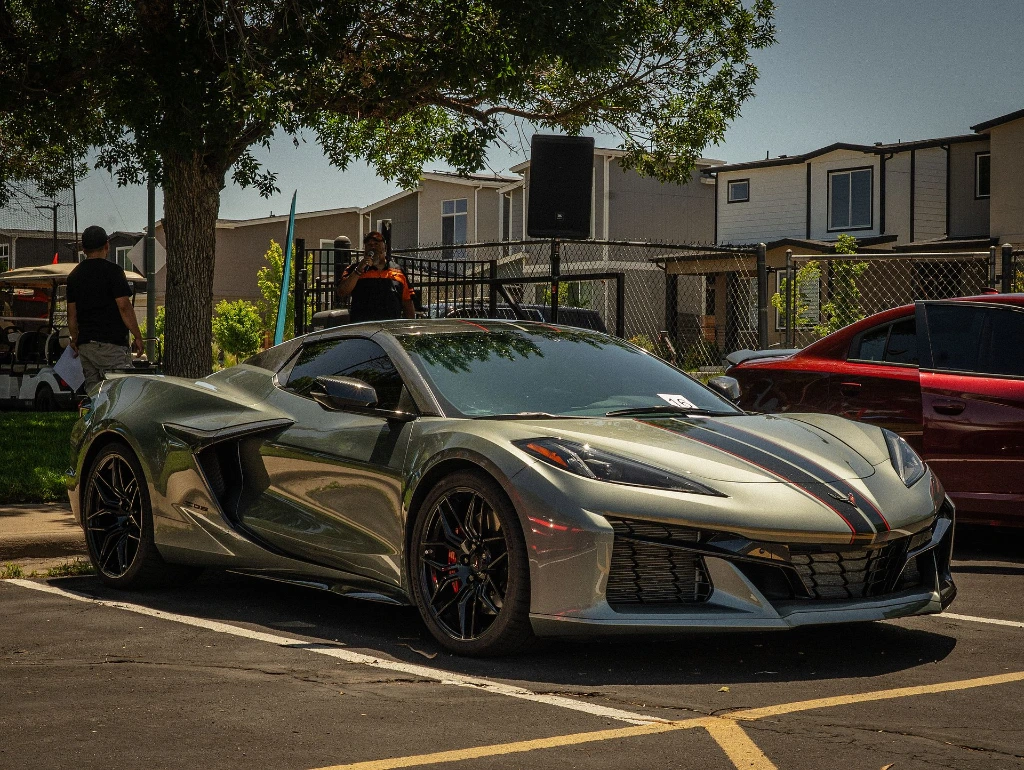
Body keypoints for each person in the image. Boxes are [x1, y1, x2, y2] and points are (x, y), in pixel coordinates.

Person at [67, 225, 144, 390]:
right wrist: (137, 335)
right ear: (107, 245)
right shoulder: (114, 272)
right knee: (118, 391)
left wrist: (75, 339)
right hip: (111, 345)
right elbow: (124, 306)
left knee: (94, 393)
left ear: (84, 249)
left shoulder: (74, 276)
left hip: (86, 345)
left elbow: (71, 315)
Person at [336, 231, 416, 322]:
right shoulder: (354, 269)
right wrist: (358, 271)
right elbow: (341, 292)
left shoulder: (398, 271)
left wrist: (410, 327)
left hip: (389, 328)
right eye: (369, 244)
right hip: (363, 328)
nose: (373, 247)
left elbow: (407, 302)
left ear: (384, 247)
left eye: (376, 244)